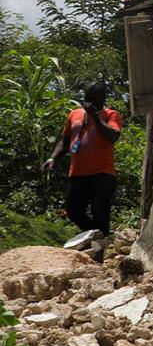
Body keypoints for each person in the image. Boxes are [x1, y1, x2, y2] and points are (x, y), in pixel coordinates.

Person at [43, 82, 123, 237]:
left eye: (94, 99)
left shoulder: (112, 115)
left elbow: (113, 136)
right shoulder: (74, 114)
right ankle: (97, 236)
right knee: (73, 211)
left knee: (100, 211)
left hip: (102, 174)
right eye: (87, 99)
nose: (89, 103)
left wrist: (95, 116)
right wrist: (53, 158)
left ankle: (101, 247)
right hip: (78, 173)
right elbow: (65, 141)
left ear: (103, 98)